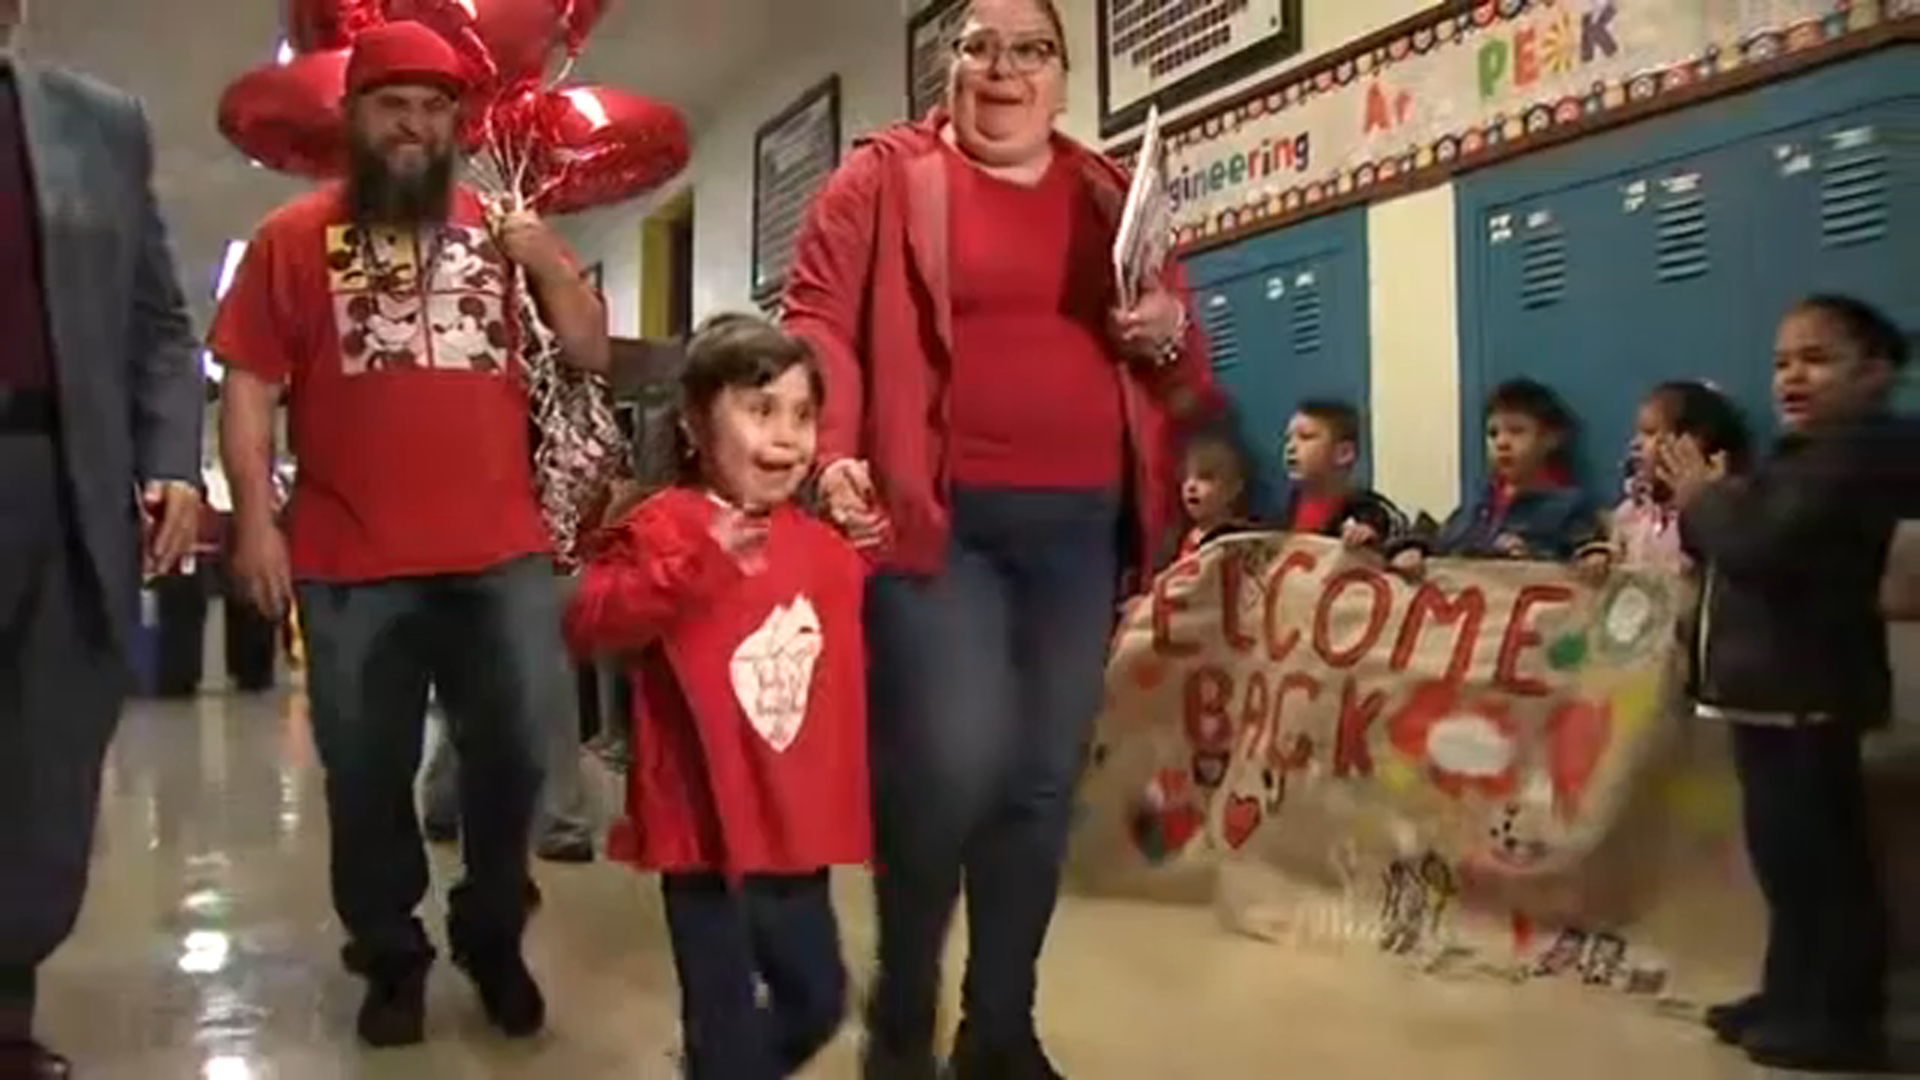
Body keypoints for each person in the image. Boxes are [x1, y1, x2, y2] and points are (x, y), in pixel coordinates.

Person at [780, 0, 1219, 1073]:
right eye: (980, 46)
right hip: (938, 523)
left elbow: (1185, 370)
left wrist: (1167, 334)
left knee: (1035, 781)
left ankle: (1000, 1028)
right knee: (945, 770)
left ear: (1065, 78)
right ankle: (904, 1016)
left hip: (1079, 526)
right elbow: (817, 318)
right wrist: (828, 448)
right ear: (948, 65)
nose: (1004, 68)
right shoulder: (879, 179)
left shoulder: (1110, 192)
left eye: (1032, 50)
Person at [211, 21, 610, 1048]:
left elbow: (587, 349)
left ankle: (490, 934)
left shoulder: (501, 228)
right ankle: (390, 956)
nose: (416, 127)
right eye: (395, 105)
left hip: (501, 553)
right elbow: (249, 387)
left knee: (515, 756)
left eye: (436, 110)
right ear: (355, 116)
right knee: (366, 770)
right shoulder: (289, 240)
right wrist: (255, 519)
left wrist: (551, 261)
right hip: (351, 560)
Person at [565, 315, 870, 1079]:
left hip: (794, 835)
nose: (787, 436)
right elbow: (594, 618)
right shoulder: (666, 527)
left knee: (819, 998)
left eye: (803, 415)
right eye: (760, 410)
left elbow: (853, 667)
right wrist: (690, 566)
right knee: (722, 1024)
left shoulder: (822, 547)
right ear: (697, 424)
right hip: (702, 836)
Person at [0, 0, 206, 1072]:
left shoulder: (100, 125)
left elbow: (159, 322)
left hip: (58, 474)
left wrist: (171, 458)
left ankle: (5, 1015)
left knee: (43, 759)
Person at [1667, 295, 1915, 1073]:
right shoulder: (1803, 454)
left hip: (1811, 692)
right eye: (1781, 362)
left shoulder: (1864, 453)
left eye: (1816, 358)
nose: (1791, 376)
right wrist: (1708, 507)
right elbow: (1725, 539)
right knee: (1784, 862)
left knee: (1821, 865)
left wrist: (1706, 500)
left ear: (1876, 373)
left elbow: (1760, 546)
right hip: (1768, 695)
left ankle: (1838, 1020)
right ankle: (1789, 994)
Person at [1393, 378, 1606, 574]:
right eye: (1493, 433)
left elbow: (1585, 556)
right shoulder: (1479, 504)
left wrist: (1533, 555)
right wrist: (1413, 549)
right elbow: (1443, 539)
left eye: (1517, 431)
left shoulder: (1568, 507)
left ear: (1551, 439)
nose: (1502, 443)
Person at [1608, 380, 1752, 572]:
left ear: (1692, 445)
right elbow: (1613, 552)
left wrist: (1706, 500)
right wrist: (1599, 556)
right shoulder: (1633, 512)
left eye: (1650, 433)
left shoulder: (1707, 520)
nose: (1636, 444)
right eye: (1639, 433)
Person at [1278, 400, 1403, 549]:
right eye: (1288, 439)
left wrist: (1369, 535)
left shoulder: (1367, 509)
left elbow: (1401, 537)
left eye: (1305, 437)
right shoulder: (1290, 505)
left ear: (1343, 453)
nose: (1291, 447)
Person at [1169, 431, 1255, 561]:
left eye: (1205, 477)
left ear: (1233, 488)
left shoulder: (1242, 539)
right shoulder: (1176, 540)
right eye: (1185, 478)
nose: (1191, 486)